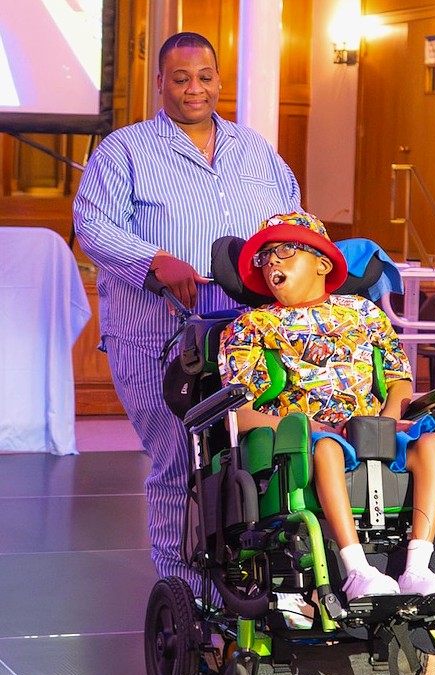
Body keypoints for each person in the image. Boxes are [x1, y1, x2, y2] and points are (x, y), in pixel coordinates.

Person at [72, 33, 301, 595]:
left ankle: (259, 587)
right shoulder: (123, 151)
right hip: (158, 340)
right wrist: (153, 259)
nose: (193, 89)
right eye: (180, 78)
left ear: (219, 80)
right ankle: (187, 599)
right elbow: (92, 228)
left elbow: (291, 220)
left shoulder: (255, 150)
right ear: (160, 83)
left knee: (259, 455)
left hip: (250, 338)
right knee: (181, 461)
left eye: (204, 77)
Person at [218, 212, 435, 602]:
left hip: (375, 429)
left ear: (322, 263)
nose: (272, 262)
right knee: (328, 449)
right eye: (264, 258)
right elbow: (241, 412)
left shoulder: (366, 314)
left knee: (432, 444)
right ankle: (357, 570)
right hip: (307, 440)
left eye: (284, 250)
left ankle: (418, 567)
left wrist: (388, 421)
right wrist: (309, 427)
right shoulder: (252, 326)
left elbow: (398, 380)